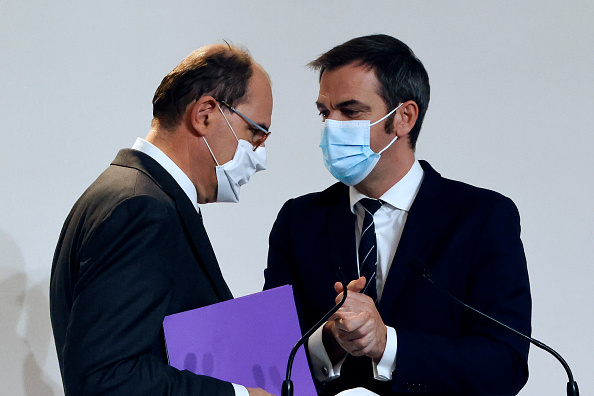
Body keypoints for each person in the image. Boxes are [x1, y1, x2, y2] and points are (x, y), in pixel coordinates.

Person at [264, 34, 531, 395]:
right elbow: (269, 360)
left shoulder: (482, 217)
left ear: (404, 117)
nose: (331, 126)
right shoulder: (299, 221)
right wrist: (328, 341)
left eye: (351, 111)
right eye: (325, 113)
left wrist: (386, 344)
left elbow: (505, 364)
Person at [50, 43, 275, 396]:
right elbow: (106, 378)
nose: (260, 158)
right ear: (205, 114)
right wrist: (240, 394)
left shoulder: (125, 191)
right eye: (255, 134)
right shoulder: (141, 209)